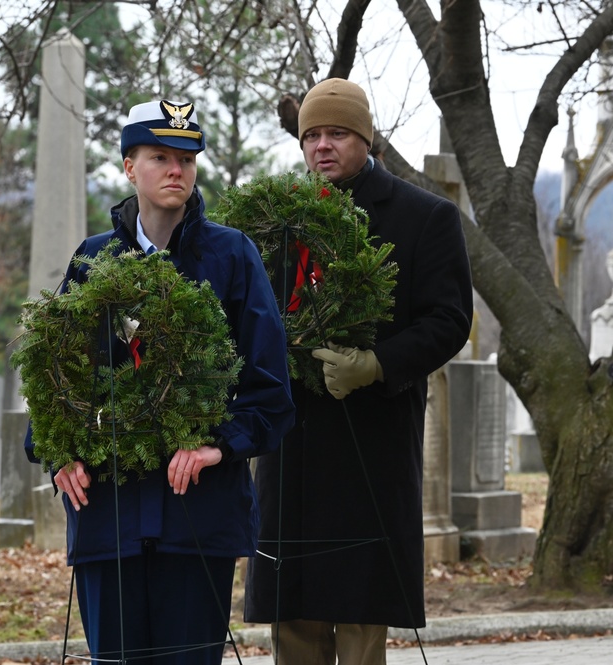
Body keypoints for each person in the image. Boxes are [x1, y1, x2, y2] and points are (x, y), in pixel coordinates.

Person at [24, 99, 295, 665]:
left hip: (195, 516)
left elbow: (270, 388)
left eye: (187, 158)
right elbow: (57, 381)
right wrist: (59, 453)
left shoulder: (231, 257)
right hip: (110, 515)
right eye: (160, 156)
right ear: (129, 166)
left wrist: (217, 443)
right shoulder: (93, 262)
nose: (177, 170)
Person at [245, 78, 474, 664]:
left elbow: (449, 319)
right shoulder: (275, 223)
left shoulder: (426, 217)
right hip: (292, 445)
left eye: (338, 134)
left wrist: (377, 364)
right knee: (293, 617)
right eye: (313, 135)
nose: (323, 146)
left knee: (361, 611)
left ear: (365, 140)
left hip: (372, 441)